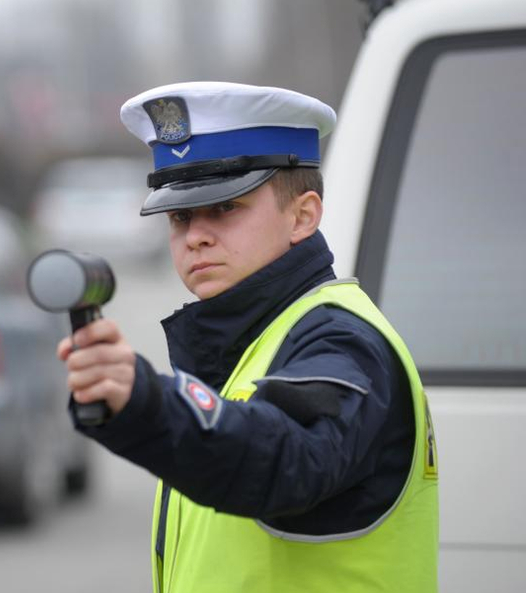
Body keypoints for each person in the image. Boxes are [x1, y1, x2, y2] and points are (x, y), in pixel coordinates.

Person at [56, 82, 438, 592]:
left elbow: (289, 460)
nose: (196, 235)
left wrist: (148, 401)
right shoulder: (248, 343)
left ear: (303, 215)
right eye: (181, 216)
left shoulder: (342, 339)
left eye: (226, 207)